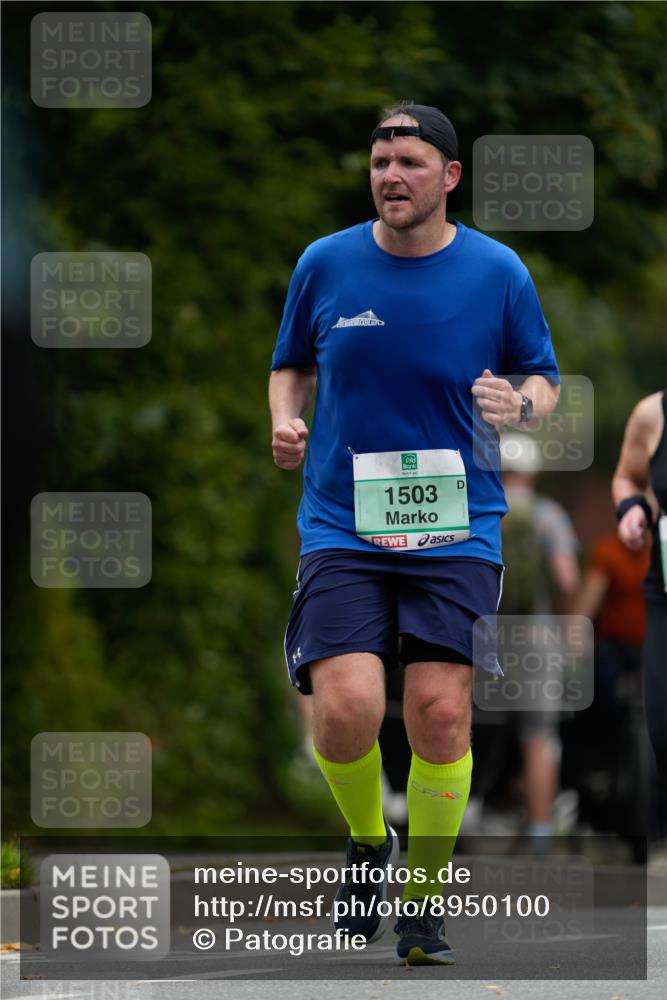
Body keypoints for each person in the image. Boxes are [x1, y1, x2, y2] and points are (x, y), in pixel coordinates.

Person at [269, 102, 560, 966]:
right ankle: (369, 843)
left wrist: (520, 404)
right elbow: (291, 364)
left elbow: (542, 378)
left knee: (437, 712)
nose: (391, 176)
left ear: (449, 176)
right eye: (379, 163)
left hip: (456, 525)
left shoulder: (497, 270)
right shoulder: (325, 262)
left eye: (409, 162)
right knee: (345, 710)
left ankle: (425, 901)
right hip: (342, 523)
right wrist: (284, 419)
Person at [468, 436, 579, 852]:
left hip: (481, 634)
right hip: (535, 637)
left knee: (465, 726)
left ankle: (457, 820)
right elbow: (567, 579)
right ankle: (539, 834)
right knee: (538, 734)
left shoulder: (477, 508)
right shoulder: (547, 515)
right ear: (532, 472)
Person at [612, 391, 667, 797]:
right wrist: (635, 507)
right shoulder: (653, 413)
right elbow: (628, 476)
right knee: (663, 732)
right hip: (665, 590)